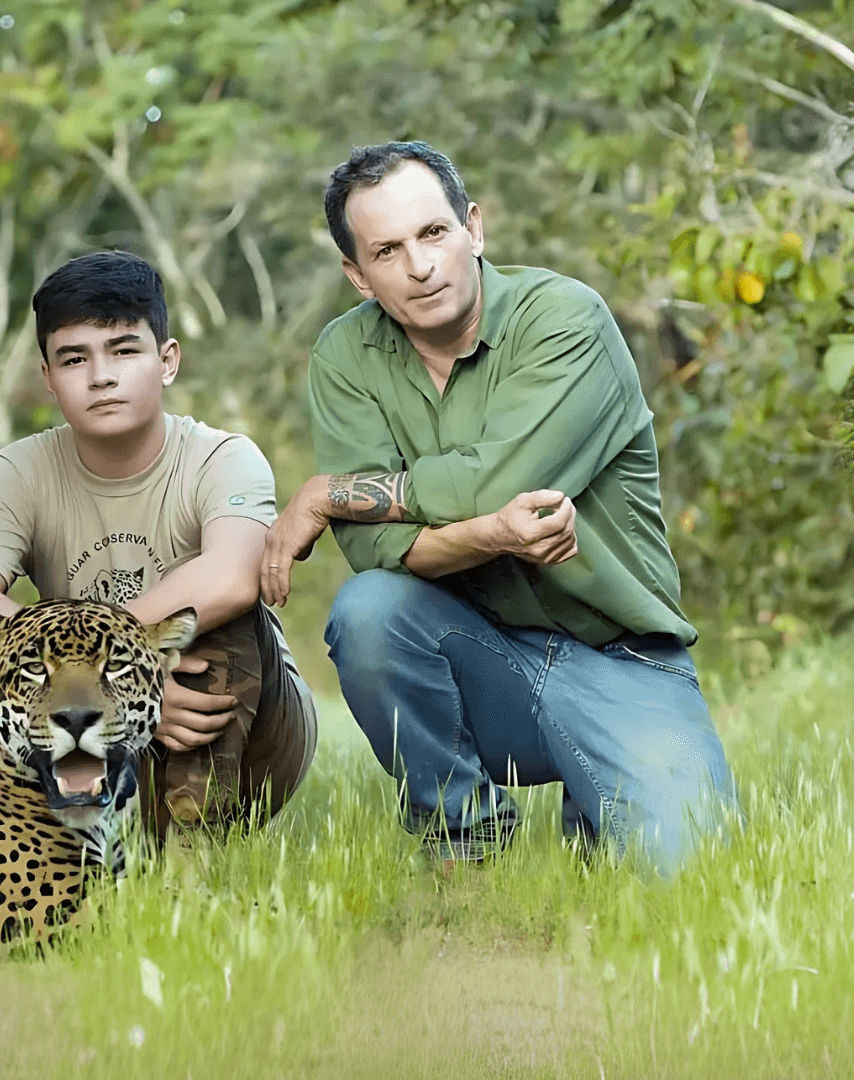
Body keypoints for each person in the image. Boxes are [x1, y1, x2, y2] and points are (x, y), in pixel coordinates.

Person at [263, 142, 737, 874]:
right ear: (356, 276)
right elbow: (378, 552)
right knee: (369, 610)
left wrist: (331, 492)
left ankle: (598, 794)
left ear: (473, 229)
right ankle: (462, 835)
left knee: (696, 874)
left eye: (433, 233)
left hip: (620, 658)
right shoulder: (344, 356)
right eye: (387, 251)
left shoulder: (564, 319)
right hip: (473, 656)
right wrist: (492, 534)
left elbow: (497, 481)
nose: (420, 266)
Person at [0, 251, 317, 839]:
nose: (100, 376)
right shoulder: (15, 472)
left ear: (167, 360)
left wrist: (122, 681)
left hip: (249, 734)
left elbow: (231, 578)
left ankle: (188, 852)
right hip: (86, 722)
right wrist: (104, 689)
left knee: (219, 619)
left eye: (124, 350)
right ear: (48, 377)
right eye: (74, 359)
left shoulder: (223, 458)